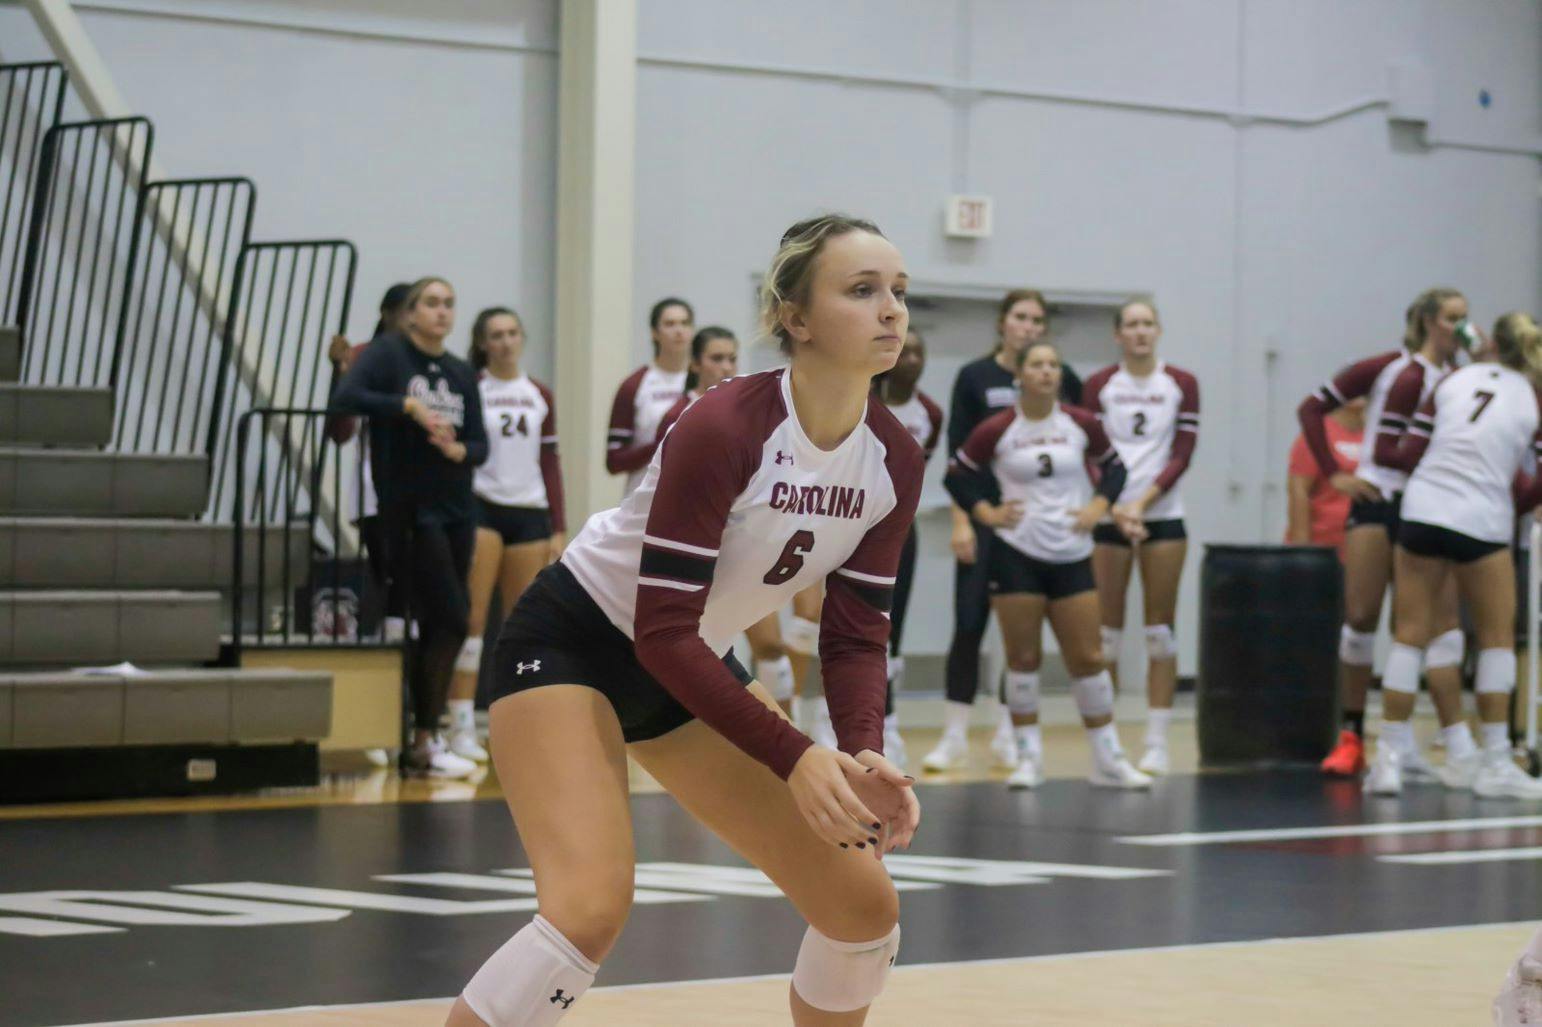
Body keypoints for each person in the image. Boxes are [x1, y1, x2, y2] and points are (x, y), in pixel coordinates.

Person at [447, 215, 920, 1027]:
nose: (891, 312)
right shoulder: (724, 425)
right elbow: (661, 629)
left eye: (900, 293)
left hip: (686, 666)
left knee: (862, 908)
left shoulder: (894, 459)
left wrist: (861, 748)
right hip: (576, 644)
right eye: (863, 290)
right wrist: (798, 753)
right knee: (587, 909)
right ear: (796, 319)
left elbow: (854, 632)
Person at [946, 339, 1151, 791]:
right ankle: (1028, 757)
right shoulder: (999, 428)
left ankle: (1108, 757)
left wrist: (1099, 506)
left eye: (1053, 365)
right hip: (1016, 552)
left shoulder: (1081, 424)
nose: (1046, 372)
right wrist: (987, 514)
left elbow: (1115, 468)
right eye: (1037, 365)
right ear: (1020, 375)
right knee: (1022, 657)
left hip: (1071, 552)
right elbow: (956, 473)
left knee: (1089, 656)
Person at [1297, 288, 1474, 778]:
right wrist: (1335, 471)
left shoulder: (1463, 380)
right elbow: (1311, 408)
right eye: (1451, 318)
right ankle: (1351, 734)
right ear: (1426, 321)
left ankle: (1430, 739)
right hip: (1379, 499)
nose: (1460, 327)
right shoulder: (1386, 367)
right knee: (1360, 616)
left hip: (1433, 504)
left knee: (1431, 622)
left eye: (1466, 318)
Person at [1366, 312, 1542, 799]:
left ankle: (1387, 760)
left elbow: (1410, 449)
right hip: (1481, 517)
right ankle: (1495, 762)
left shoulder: (1452, 380)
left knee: (1409, 634)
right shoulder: (1533, 394)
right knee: (1497, 637)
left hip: (1423, 507)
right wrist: (1516, 501)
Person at [332, 276, 488, 779]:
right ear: (411, 313)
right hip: (409, 507)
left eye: (449, 303)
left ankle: (423, 740)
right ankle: (425, 735)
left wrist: (459, 450)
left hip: (458, 506)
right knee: (451, 616)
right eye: (431, 303)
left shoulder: (461, 371)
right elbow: (347, 398)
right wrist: (406, 405)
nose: (442, 312)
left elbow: (480, 443)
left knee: (441, 623)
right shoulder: (387, 354)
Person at [924, 288, 1077, 773]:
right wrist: (964, 518)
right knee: (969, 623)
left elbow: (1083, 447)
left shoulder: (1064, 379)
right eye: (1020, 318)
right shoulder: (976, 376)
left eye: (1036, 320)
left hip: (1037, 529)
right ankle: (953, 734)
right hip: (989, 518)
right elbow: (957, 454)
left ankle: (1010, 731)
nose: (1028, 327)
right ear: (1002, 324)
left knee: (1021, 635)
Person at [443, 306, 567, 763]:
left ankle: (520, 725)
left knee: (522, 628)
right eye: (496, 334)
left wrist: (558, 524)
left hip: (529, 511)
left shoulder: (539, 394)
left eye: (513, 332)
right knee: (472, 621)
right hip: (482, 508)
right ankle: (458, 724)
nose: (506, 342)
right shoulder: (472, 389)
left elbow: (550, 461)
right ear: (482, 342)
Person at [1081, 299, 1198, 776]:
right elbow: (1089, 453)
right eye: (1131, 325)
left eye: (1148, 323)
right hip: (1111, 516)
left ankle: (1156, 740)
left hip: (1161, 515)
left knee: (1159, 630)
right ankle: (1108, 745)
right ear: (1118, 335)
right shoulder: (1099, 385)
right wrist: (1113, 505)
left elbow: (1183, 452)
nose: (1140, 332)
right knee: (1106, 634)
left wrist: (1141, 505)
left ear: (1159, 330)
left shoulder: (1181, 383)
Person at [658, 327, 800, 718]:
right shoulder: (678, 415)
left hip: (743, 545)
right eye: (716, 358)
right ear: (695, 364)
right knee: (689, 647)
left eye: (731, 358)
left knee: (769, 644)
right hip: (693, 550)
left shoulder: (751, 415)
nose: (725, 366)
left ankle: (793, 733)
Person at [872, 329, 943, 767]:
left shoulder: (930, 412)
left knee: (891, 625)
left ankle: (888, 722)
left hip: (898, 526)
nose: (912, 358)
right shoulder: (861, 398)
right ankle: (824, 713)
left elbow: (916, 469)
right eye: (906, 350)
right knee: (836, 622)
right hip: (848, 520)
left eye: (920, 351)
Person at [326, 282, 412, 642]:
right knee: (393, 576)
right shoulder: (364, 357)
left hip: (425, 490)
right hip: (375, 487)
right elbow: (339, 431)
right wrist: (338, 374)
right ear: (388, 314)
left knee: (422, 584)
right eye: (410, 308)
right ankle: (394, 658)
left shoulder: (436, 361)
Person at [605, 297, 693, 497]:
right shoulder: (634, 385)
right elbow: (614, 461)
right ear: (655, 333)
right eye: (670, 324)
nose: (678, 330)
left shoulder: (704, 383)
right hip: (643, 500)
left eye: (684, 323)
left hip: (689, 498)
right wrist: (661, 445)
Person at [1285, 397, 1366, 558]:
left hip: (1362, 544)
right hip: (1323, 543)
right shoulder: (1318, 433)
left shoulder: (1375, 435)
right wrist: (1302, 550)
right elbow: (1298, 490)